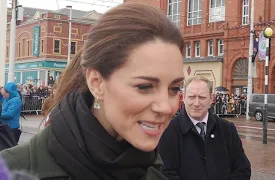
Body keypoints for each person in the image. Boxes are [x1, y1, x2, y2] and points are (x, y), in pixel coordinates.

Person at [1, 2, 184, 180]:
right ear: (96, 83)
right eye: (145, 87)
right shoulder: (13, 169)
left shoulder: (155, 172)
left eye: (174, 88)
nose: (166, 107)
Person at [159, 76, 251, 180]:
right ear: (183, 97)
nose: (196, 103)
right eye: (191, 97)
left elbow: (242, 168)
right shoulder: (168, 131)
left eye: (202, 97)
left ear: (211, 99)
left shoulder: (227, 129)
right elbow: (165, 172)